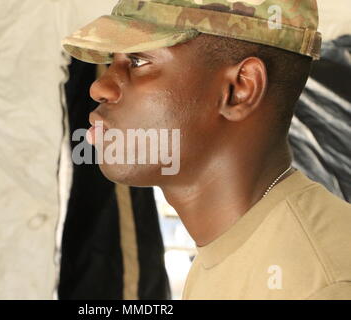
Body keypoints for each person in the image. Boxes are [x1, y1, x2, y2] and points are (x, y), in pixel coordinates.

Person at [61, 0, 351, 299]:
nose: (100, 88)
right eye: (112, 61)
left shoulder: (321, 285)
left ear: (240, 88)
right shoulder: (230, 247)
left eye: (137, 61)